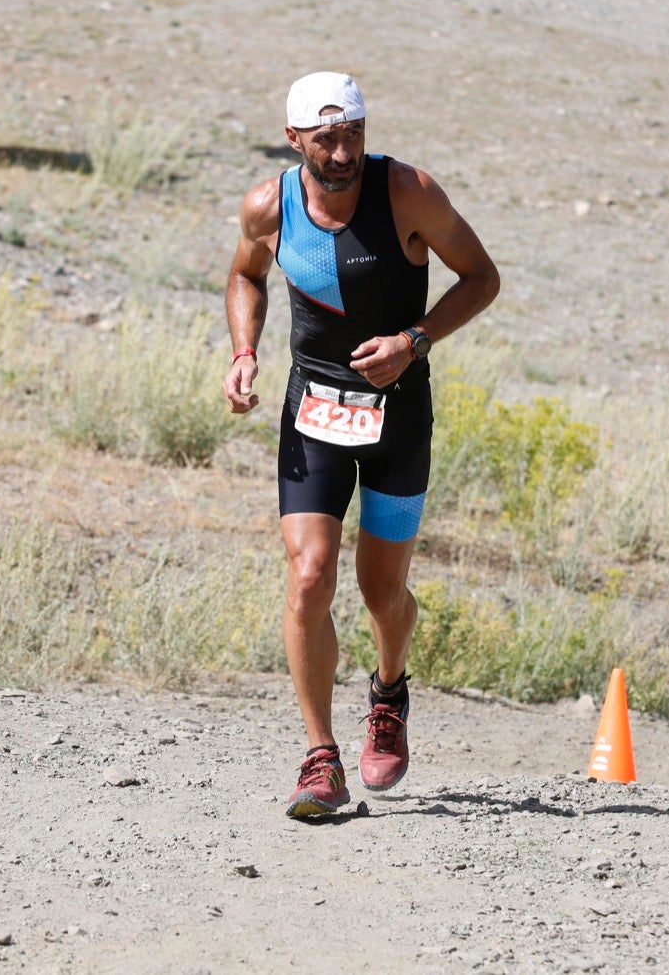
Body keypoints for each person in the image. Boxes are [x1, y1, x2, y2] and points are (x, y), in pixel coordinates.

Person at [223, 72, 501, 818]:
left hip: (397, 419)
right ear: (294, 139)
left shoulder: (408, 192)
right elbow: (246, 276)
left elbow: (482, 278)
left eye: (354, 135)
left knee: (383, 592)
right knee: (310, 575)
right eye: (326, 140)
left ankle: (388, 692)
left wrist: (414, 340)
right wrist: (244, 352)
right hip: (312, 412)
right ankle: (321, 759)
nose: (343, 153)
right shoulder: (268, 205)